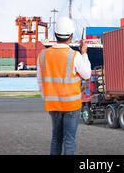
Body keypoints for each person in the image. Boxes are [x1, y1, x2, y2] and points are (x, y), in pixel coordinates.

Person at [37, 17, 91, 155]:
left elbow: (40, 81)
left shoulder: (43, 55)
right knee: (69, 140)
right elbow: (87, 75)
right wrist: (84, 53)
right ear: (71, 36)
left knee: (56, 139)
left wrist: (47, 99)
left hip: (53, 105)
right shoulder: (75, 56)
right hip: (71, 106)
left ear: (55, 35)